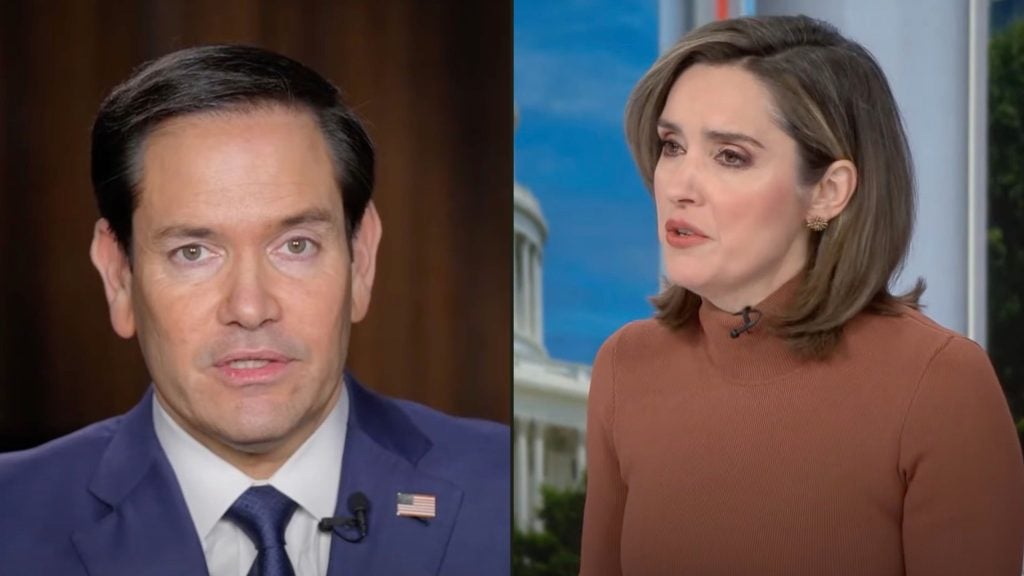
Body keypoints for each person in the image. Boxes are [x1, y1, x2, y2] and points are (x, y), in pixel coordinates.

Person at [0, 45, 509, 576]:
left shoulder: (497, 487)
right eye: (192, 252)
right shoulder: (10, 519)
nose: (250, 308)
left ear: (361, 260)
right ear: (118, 275)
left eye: (295, 246)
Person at [579, 15, 1024, 576]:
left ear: (828, 193)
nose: (678, 185)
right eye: (672, 146)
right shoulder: (626, 367)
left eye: (730, 156)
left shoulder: (940, 383)